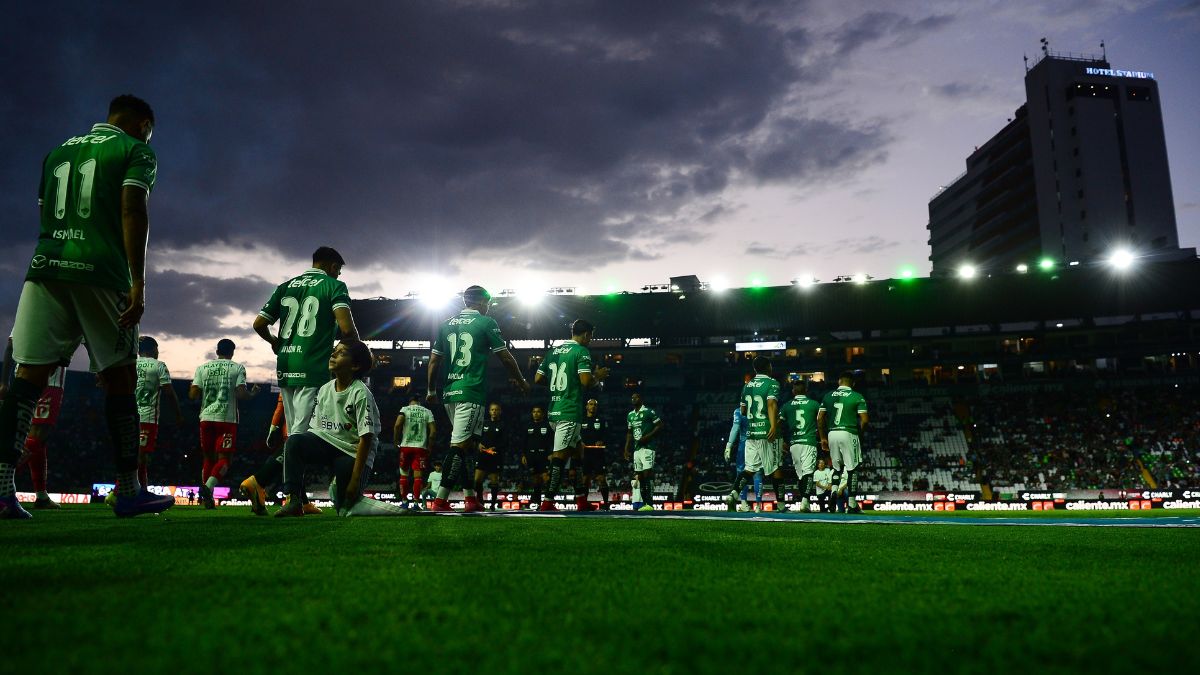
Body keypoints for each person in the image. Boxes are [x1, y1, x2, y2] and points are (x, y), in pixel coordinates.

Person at [0, 94, 174, 518]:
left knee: (27, 378)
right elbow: (132, 208)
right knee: (119, 379)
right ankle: (129, 490)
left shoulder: (58, 150)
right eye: (149, 130)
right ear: (141, 124)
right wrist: (138, 280)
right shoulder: (136, 150)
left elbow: (45, 214)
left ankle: (3, 490)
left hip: (45, 269)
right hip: (99, 271)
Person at [243, 246, 360, 515]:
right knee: (303, 436)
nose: (339, 273)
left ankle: (299, 498)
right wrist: (358, 355)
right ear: (333, 267)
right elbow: (346, 328)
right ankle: (261, 482)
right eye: (339, 270)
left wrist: (275, 342)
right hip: (313, 368)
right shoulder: (334, 285)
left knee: (298, 432)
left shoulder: (286, 285)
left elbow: (259, 323)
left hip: (286, 366)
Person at [426, 285, 529, 513]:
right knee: (460, 447)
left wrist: (432, 390)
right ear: (482, 302)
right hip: (470, 392)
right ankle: (441, 500)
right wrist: (522, 381)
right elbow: (505, 356)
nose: (489, 307)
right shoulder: (485, 322)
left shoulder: (445, 325)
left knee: (469, 445)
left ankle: (470, 498)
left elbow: (433, 362)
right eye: (488, 303)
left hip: (449, 393)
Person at [276, 341, 379, 516]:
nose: (333, 355)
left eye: (341, 353)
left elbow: (366, 439)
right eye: (334, 351)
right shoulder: (324, 390)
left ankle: (342, 489)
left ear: (355, 365)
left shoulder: (361, 393)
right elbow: (315, 432)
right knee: (295, 441)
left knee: (344, 509)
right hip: (328, 443)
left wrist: (354, 482)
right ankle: (294, 500)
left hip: (352, 451)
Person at [532, 319, 607, 511]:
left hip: (553, 410)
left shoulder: (553, 352)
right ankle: (547, 502)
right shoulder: (581, 351)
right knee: (559, 457)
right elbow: (585, 381)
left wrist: (557, 387)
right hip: (569, 412)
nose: (590, 340)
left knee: (578, 450)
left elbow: (538, 378)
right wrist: (598, 376)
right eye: (591, 336)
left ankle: (581, 499)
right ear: (586, 335)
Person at [2, 336, 75, 509]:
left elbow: (11, 344)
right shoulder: (63, 312)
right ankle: (2, 487)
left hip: (22, 377)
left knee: (36, 440)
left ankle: (41, 496)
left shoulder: (28, 310)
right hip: (48, 380)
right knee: (36, 437)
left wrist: (3, 381)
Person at [189, 339, 259, 508]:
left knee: (208, 458)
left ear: (217, 351)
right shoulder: (237, 368)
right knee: (225, 460)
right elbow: (242, 395)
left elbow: (193, 395)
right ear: (232, 352)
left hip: (206, 418)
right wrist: (254, 393)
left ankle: (208, 499)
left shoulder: (202, 368)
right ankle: (208, 487)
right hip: (226, 419)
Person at [726, 357, 780, 511]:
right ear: (768, 367)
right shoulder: (772, 383)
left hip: (750, 434)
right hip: (765, 433)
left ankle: (734, 493)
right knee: (774, 468)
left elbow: (742, 411)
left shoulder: (747, 386)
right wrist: (773, 426)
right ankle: (781, 503)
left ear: (755, 369)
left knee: (749, 468)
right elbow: (771, 404)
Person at [134, 336, 183, 489]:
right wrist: (178, 414)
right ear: (152, 349)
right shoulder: (159, 366)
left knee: (134, 455)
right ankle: (119, 492)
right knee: (141, 457)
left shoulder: (129, 364)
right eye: (157, 348)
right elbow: (169, 392)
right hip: (147, 417)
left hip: (129, 415)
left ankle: (140, 490)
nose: (158, 352)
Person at [818, 371, 868, 514]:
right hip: (849, 431)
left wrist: (823, 438)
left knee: (836, 468)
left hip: (832, 433)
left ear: (839, 382)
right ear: (853, 383)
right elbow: (864, 420)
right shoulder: (857, 396)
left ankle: (834, 491)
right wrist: (861, 435)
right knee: (852, 469)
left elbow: (820, 418)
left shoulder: (828, 396)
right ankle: (852, 505)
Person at [779, 379, 821, 513]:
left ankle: (805, 501)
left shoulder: (786, 405)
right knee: (808, 473)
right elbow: (821, 421)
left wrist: (781, 441)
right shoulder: (814, 404)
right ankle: (804, 502)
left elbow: (778, 424)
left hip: (794, 444)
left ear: (793, 391)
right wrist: (823, 437)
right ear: (806, 391)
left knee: (801, 475)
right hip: (808, 441)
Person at [624, 391, 663, 512]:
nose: (634, 399)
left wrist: (648, 437)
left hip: (648, 448)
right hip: (636, 450)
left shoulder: (648, 412)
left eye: (636, 397)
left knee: (647, 475)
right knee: (639, 477)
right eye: (632, 397)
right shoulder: (630, 415)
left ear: (641, 399)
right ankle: (643, 503)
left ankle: (649, 503)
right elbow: (630, 433)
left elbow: (660, 425)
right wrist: (626, 448)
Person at [394, 394, 435, 509]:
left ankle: (404, 502)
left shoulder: (405, 409)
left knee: (403, 475)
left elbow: (397, 425)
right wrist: (430, 447)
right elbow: (433, 432)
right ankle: (416, 503)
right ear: (419, 402)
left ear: (410, 402)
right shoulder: (427, 411)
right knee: (418, 477)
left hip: (406, 446)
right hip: (420, 447)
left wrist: (395, 441)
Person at [723, 401, 756, 512]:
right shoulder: (758, 410)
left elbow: (735, 427)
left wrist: (729, 445)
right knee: (759, 474)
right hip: (759, 442)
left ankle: (743, 503)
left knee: (742, 473)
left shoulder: (738, 411)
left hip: (744, 445)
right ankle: (759, 506)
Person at [579, 398, 611, 510]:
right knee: (585, 480)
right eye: (590, 404)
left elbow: (607, 435)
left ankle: (606, 504)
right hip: (585, 454)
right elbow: (575, 435)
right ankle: (584, 504)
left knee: (601, 478)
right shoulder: (580, 420)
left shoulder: (601, 420)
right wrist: (580, 442)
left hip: (598, 454)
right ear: (586, 406)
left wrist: (602, 440)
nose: (592, 406)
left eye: (595, 405)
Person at [476, 402, 506, 511]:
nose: (494, 411)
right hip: (482, 455)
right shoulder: (483, 423)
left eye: (496, 409)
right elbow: (477, 437)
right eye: (492, 409)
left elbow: (505, 442)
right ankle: (480, 501)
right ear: (489, 411)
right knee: (477, 481)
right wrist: (478, 444)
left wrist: (495, 448)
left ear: (500, 411)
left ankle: (493, 505)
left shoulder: (503, 425)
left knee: (494, 481)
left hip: (495, 456)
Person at [522, 406, 552, 509]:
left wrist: (551, 453)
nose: (536, 413)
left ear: (542, 414)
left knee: (546, 478)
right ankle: (538, 503)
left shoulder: (548, 425)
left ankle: (549, 502)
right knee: (536, 481)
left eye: (538, 411)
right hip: (531, 456)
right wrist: (523, 455)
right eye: (534, 411)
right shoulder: (527, 426)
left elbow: (551, 440)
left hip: (544, 456)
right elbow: (524, 442)